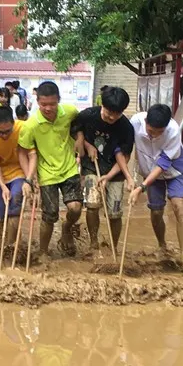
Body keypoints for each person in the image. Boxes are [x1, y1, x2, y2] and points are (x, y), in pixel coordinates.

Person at [18, 81, 82, 258]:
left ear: (59, 101)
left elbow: (81, 123)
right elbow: (23, 152)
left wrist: (81, 139)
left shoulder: (69, 112)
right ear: (37, 101)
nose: (48, 108)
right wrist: (29, 179)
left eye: (52, 104)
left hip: (69, 168)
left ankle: (67, 228)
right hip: (46, 174)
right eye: (43, 104)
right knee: (49, 214)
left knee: (76, 208)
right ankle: (43, 251)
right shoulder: (31, 125)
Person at [71, 86, 134, 254]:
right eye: (109, 112)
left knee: (114, 212)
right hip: (92, 165)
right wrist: (86, 144)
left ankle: (114, 247)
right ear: (102, 105)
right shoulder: (87, 115)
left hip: (115, 171)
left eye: (117, 113)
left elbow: (125, 156)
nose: (112, 117)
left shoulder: (126, 127)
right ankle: (93, 242)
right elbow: (75, 130)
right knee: (92, 204)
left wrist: (109, 176)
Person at [127, 104, 183, 266]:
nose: (154, 136)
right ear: (146, 121)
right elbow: (126, 146)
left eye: (159, 132)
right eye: (150, 131)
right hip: (149, 171)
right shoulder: (135, 122)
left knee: (179, 207)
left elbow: (163, 163)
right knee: (156, 211)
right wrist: (129, 177)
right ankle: (162, 245)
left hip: (174, 171)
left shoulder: (173, 130)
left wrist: (141, 188)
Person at [0, 106, 32, 245]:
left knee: (14, 205)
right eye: (0, 132)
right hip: (0, 176)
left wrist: (31, 180)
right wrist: (3, 186)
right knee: (2, 215)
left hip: (20, 171)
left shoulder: (23, 128)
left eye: (8, 131)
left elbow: (31, 154)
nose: (4, 135)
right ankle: (4, 244)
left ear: (14, 122)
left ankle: (11, 246)